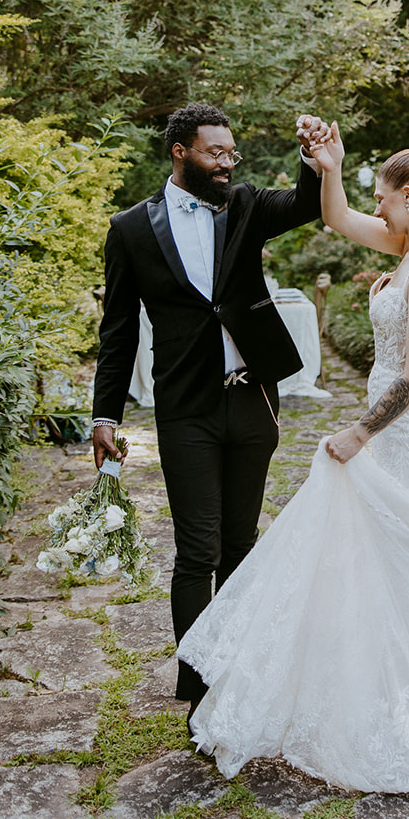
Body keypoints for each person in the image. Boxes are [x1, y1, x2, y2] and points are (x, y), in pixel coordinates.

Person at [178, 123, 409, 793]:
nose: (379, 208)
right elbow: (335, 218)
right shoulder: (406, 244)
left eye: (385, 197)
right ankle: (368, 703)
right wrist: (327, 166)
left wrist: (358, 433)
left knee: (398, 574)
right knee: (367, 568)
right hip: (394, 429)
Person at [91, 102, 326, 709]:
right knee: (199, 551)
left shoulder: (244, 204)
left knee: (242, 545)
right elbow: (117, 331)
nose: (226, 163)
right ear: (181, 152)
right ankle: (201, 694)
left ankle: (241, 681)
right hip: (186, 408)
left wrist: (314, 159)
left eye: (231, 153)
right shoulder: (131, 230)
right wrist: (104, 415)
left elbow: (304, 203)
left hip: (253, 401)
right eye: (213, 153)